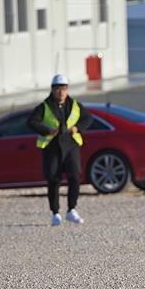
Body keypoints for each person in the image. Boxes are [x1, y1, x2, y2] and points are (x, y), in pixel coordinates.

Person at [27, 74, 93, 227]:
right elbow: (31, 122)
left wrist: (78, 128)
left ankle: (72, 210)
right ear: (52, 90)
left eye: (63, 89)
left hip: (71, 145)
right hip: (52, 146)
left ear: (67, 89)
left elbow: (88, 119)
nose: (60, 92)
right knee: (53, 179)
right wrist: (46, 129)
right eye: (57, 89)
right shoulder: (44, 106)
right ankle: (55, 213)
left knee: (75, 176)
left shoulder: (75, 105)